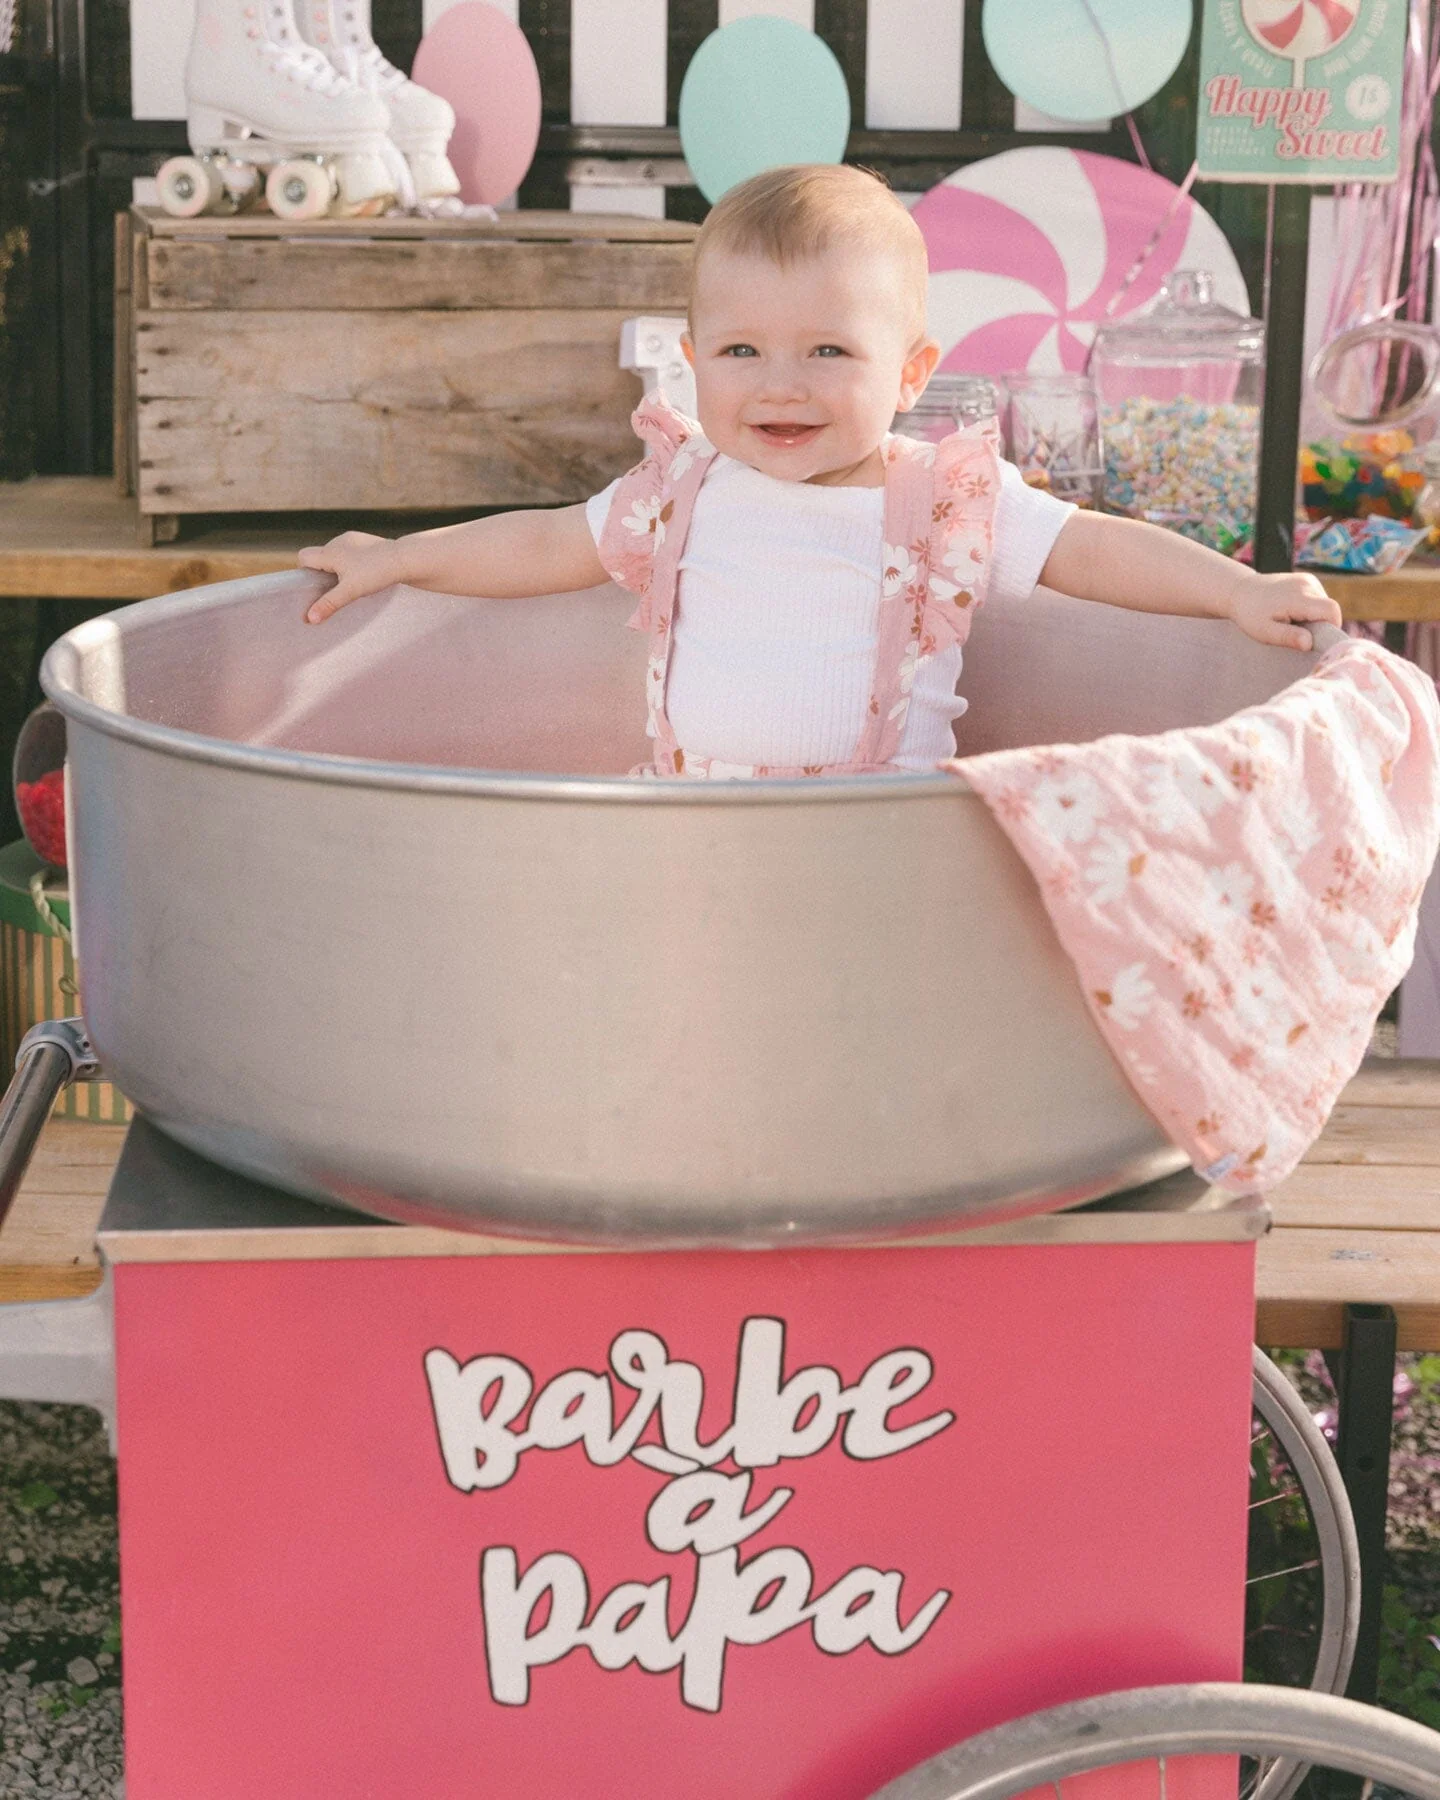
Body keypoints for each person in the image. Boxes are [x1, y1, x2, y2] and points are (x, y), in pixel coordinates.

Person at [299, 163, 1342, 778]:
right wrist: (398, 558)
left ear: (909, 374)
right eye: (743, 353)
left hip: (876, 836)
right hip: (694, 821)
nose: (781, 388)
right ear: (695, 363)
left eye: (830, 352)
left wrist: (1236, 590)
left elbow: (1094, 550)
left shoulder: (938, 494)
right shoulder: (679, 489)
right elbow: (540, 541)